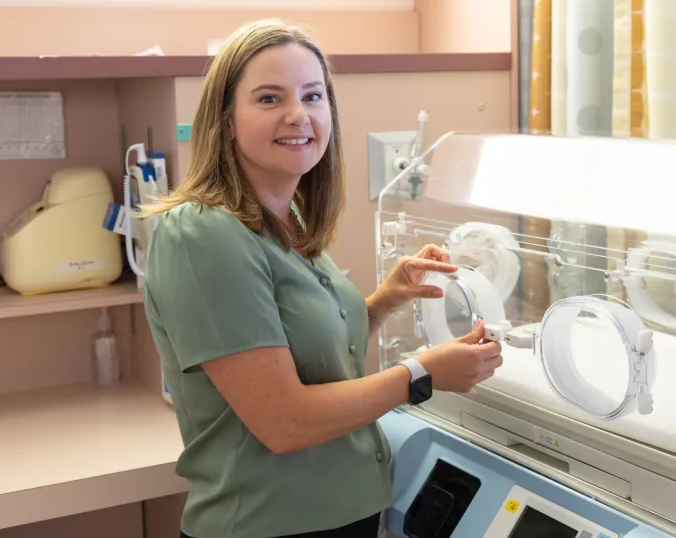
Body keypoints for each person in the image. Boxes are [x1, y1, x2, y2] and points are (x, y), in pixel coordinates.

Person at [138, 19, 504, 538]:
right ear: (226, 119)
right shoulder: (202, 233)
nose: (298, 115)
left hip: (344, 517)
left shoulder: (291, 221)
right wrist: (421, 375)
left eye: (313, 96)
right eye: (269, 98)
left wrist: (382, 302)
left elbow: (307, 358)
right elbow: (285, 421)